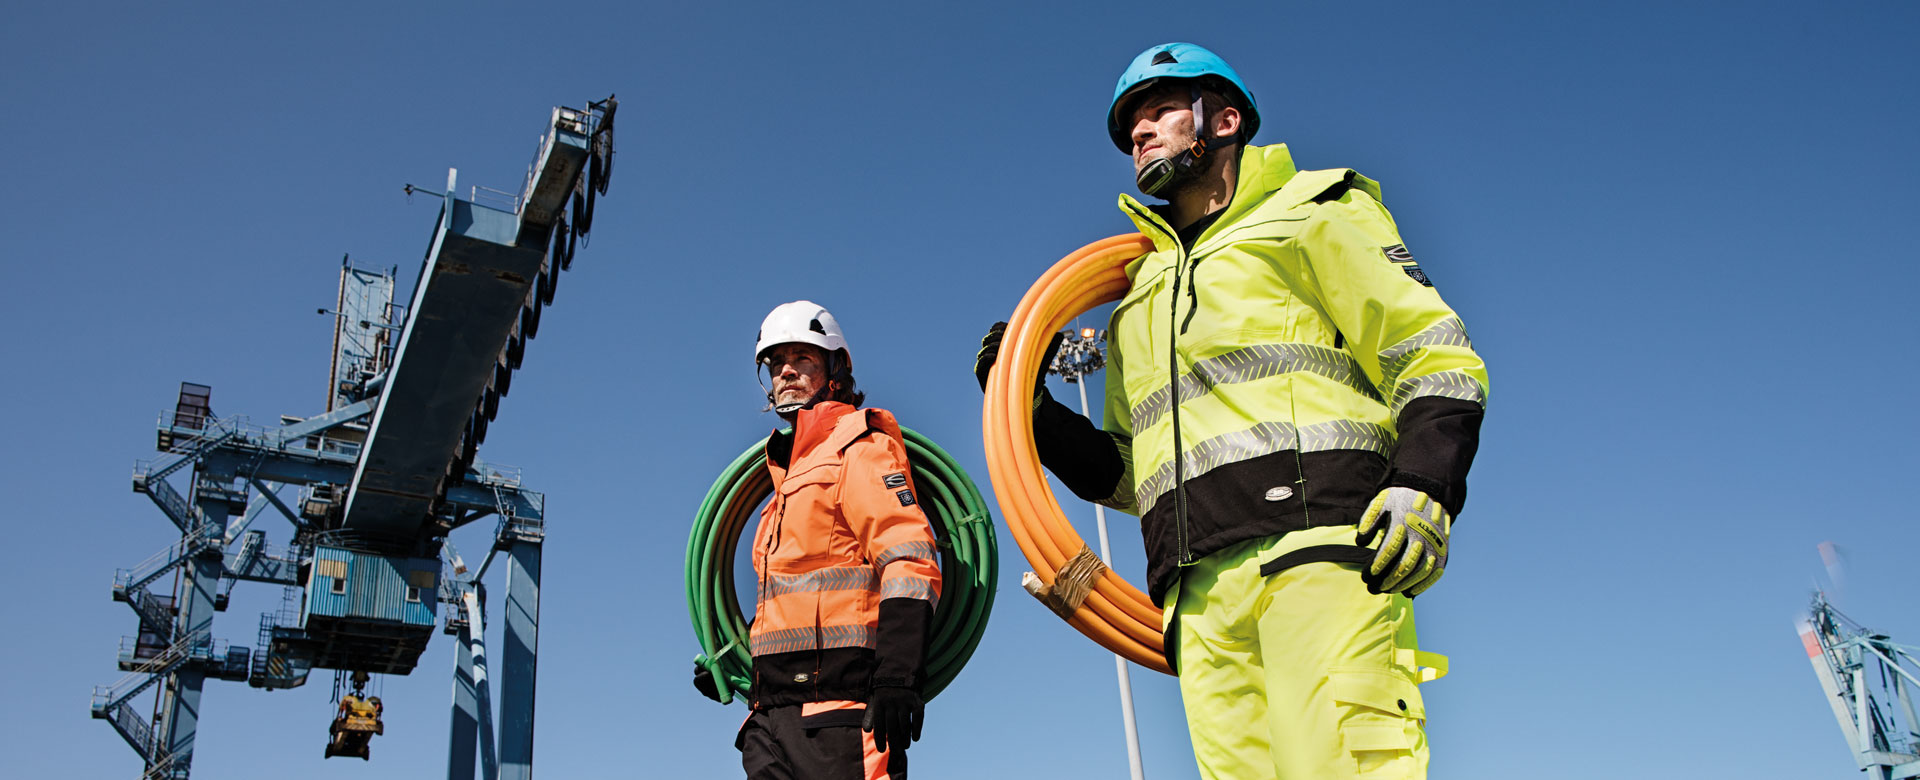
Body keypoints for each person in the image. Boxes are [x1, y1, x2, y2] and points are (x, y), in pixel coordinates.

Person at [974, 42, 1488, 780]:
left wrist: (1426, 482)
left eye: (1158, 112)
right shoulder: (1139, 297)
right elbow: (1131, 472)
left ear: (1224, 118)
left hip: (1316, 554)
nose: (1140, 135)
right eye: (1130, 128)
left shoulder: (1312, 212)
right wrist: (1032, 408)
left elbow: (1433, 352)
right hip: (1197, 600)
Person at [698, 300, 942, 779]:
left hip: (840, 716)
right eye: (775, 363)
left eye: (802, 359)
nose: (785, 372)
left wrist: (896, 677)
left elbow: (909, 558)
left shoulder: (858, 446)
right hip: (769, 717)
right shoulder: (784, 475)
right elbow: (797, 594)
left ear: (836, 369)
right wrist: (733, 660)